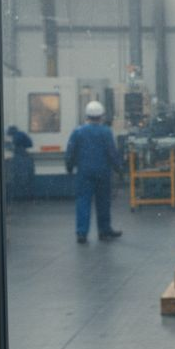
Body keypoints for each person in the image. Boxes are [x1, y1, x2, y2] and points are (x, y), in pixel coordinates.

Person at [65, 101, 122, 244]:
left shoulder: (78, 132)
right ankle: (104, 231)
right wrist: (119, 168)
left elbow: (71, 151)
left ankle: (82, 233)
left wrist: (69, 166)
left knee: (83, 201)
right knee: (103, 202)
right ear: (101, 116)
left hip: (84, 172)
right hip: (103, 172)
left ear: (86, 115)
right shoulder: (106, 132)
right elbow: (112, 152)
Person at [5, 125, 35, 201]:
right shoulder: (20, 134)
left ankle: (19, 196)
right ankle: (29, 196)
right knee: (27, 179)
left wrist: (9, 147)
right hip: (24, 155)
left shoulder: (17, 136)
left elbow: (15, 146)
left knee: (19, 177)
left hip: (21, 157)